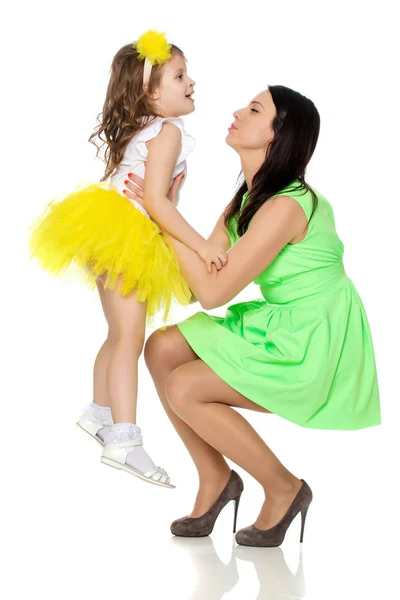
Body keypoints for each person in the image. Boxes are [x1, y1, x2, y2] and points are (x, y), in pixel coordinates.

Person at [123, 84, 381, 546]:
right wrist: (168, 211)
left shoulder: (285, 205)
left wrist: (160, 212)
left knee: (185, 385)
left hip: (314, 338)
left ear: (276, 136)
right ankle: (215, 478)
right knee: (162, 347)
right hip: (279, 323)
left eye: (255, 109)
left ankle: (285, 488)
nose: (238, 111)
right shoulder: (244, 200)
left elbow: (214, 292)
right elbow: (192, 282)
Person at [27, 30, 228, 489]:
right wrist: (203, 246)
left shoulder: (151, 130)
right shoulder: (170, 131)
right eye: (180, 75)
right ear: (149, 92)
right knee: (131, 339)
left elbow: (160, 198)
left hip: (110, 230)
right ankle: (124, 440)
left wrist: (168, 200)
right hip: (127, 235)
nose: (191, 81)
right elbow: (157, 204)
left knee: (119, 334)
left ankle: (99, 413)